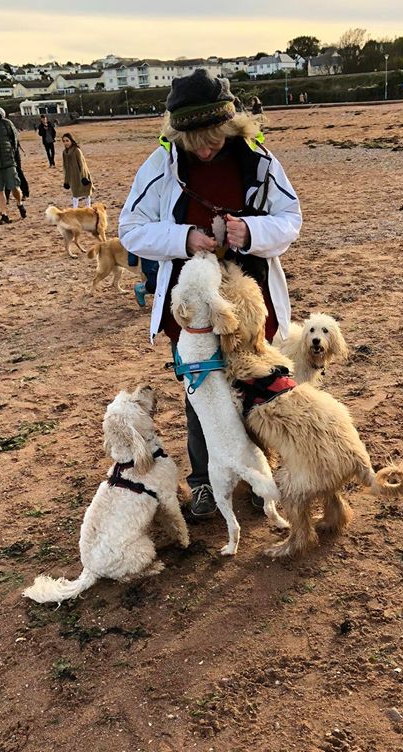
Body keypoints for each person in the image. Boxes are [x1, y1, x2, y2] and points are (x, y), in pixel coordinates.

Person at [119, 67, 302, 519]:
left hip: (250, 299)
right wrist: (184, 239)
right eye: (195, 138)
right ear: (178, 133)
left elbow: (290, 219)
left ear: (230, 124)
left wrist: (249, 231)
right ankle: (203, 482)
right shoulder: (160, 164)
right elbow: (131, 230)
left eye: (214, 136)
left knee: (259, 386)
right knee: (202, 389)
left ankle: (264, 477)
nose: (205, 146)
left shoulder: (259, 159)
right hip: (192, 306)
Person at [61, 132, 93, 208]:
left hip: (81, 175)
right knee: (75, 194)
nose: (66, 143)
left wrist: (84, 177)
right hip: (72, 177)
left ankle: (88, 208)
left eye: (67, 140)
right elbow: (65, 167)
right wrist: (66, 181)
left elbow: (82, 164)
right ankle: (75, 210)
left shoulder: (76, 150)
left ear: (71, 140)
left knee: (86, 193)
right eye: (64, 141)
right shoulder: (64, 153)